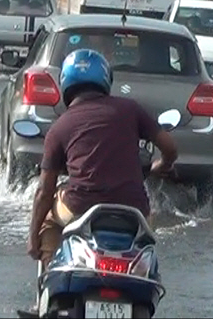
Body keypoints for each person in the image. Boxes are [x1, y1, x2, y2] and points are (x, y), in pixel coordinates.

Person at [26, 49, 180, 273]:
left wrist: (32, 237)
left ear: (65, 85)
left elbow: (44, 191)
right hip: (135, 211)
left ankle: (49, 278)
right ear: (105, 80)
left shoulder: (60, 127)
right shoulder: (130, 109)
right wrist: (162, 166)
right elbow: (171, 148)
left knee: (49, 218)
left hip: (80, 208)